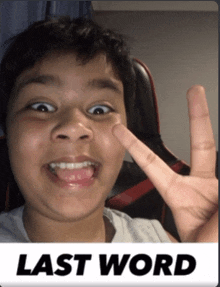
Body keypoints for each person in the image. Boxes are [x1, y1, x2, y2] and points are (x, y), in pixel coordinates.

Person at [0, 16, 218, 243]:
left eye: (99, 109)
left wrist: (203, 269)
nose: (74, 127)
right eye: (41, 107)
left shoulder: (158, 243)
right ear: (7, 129)